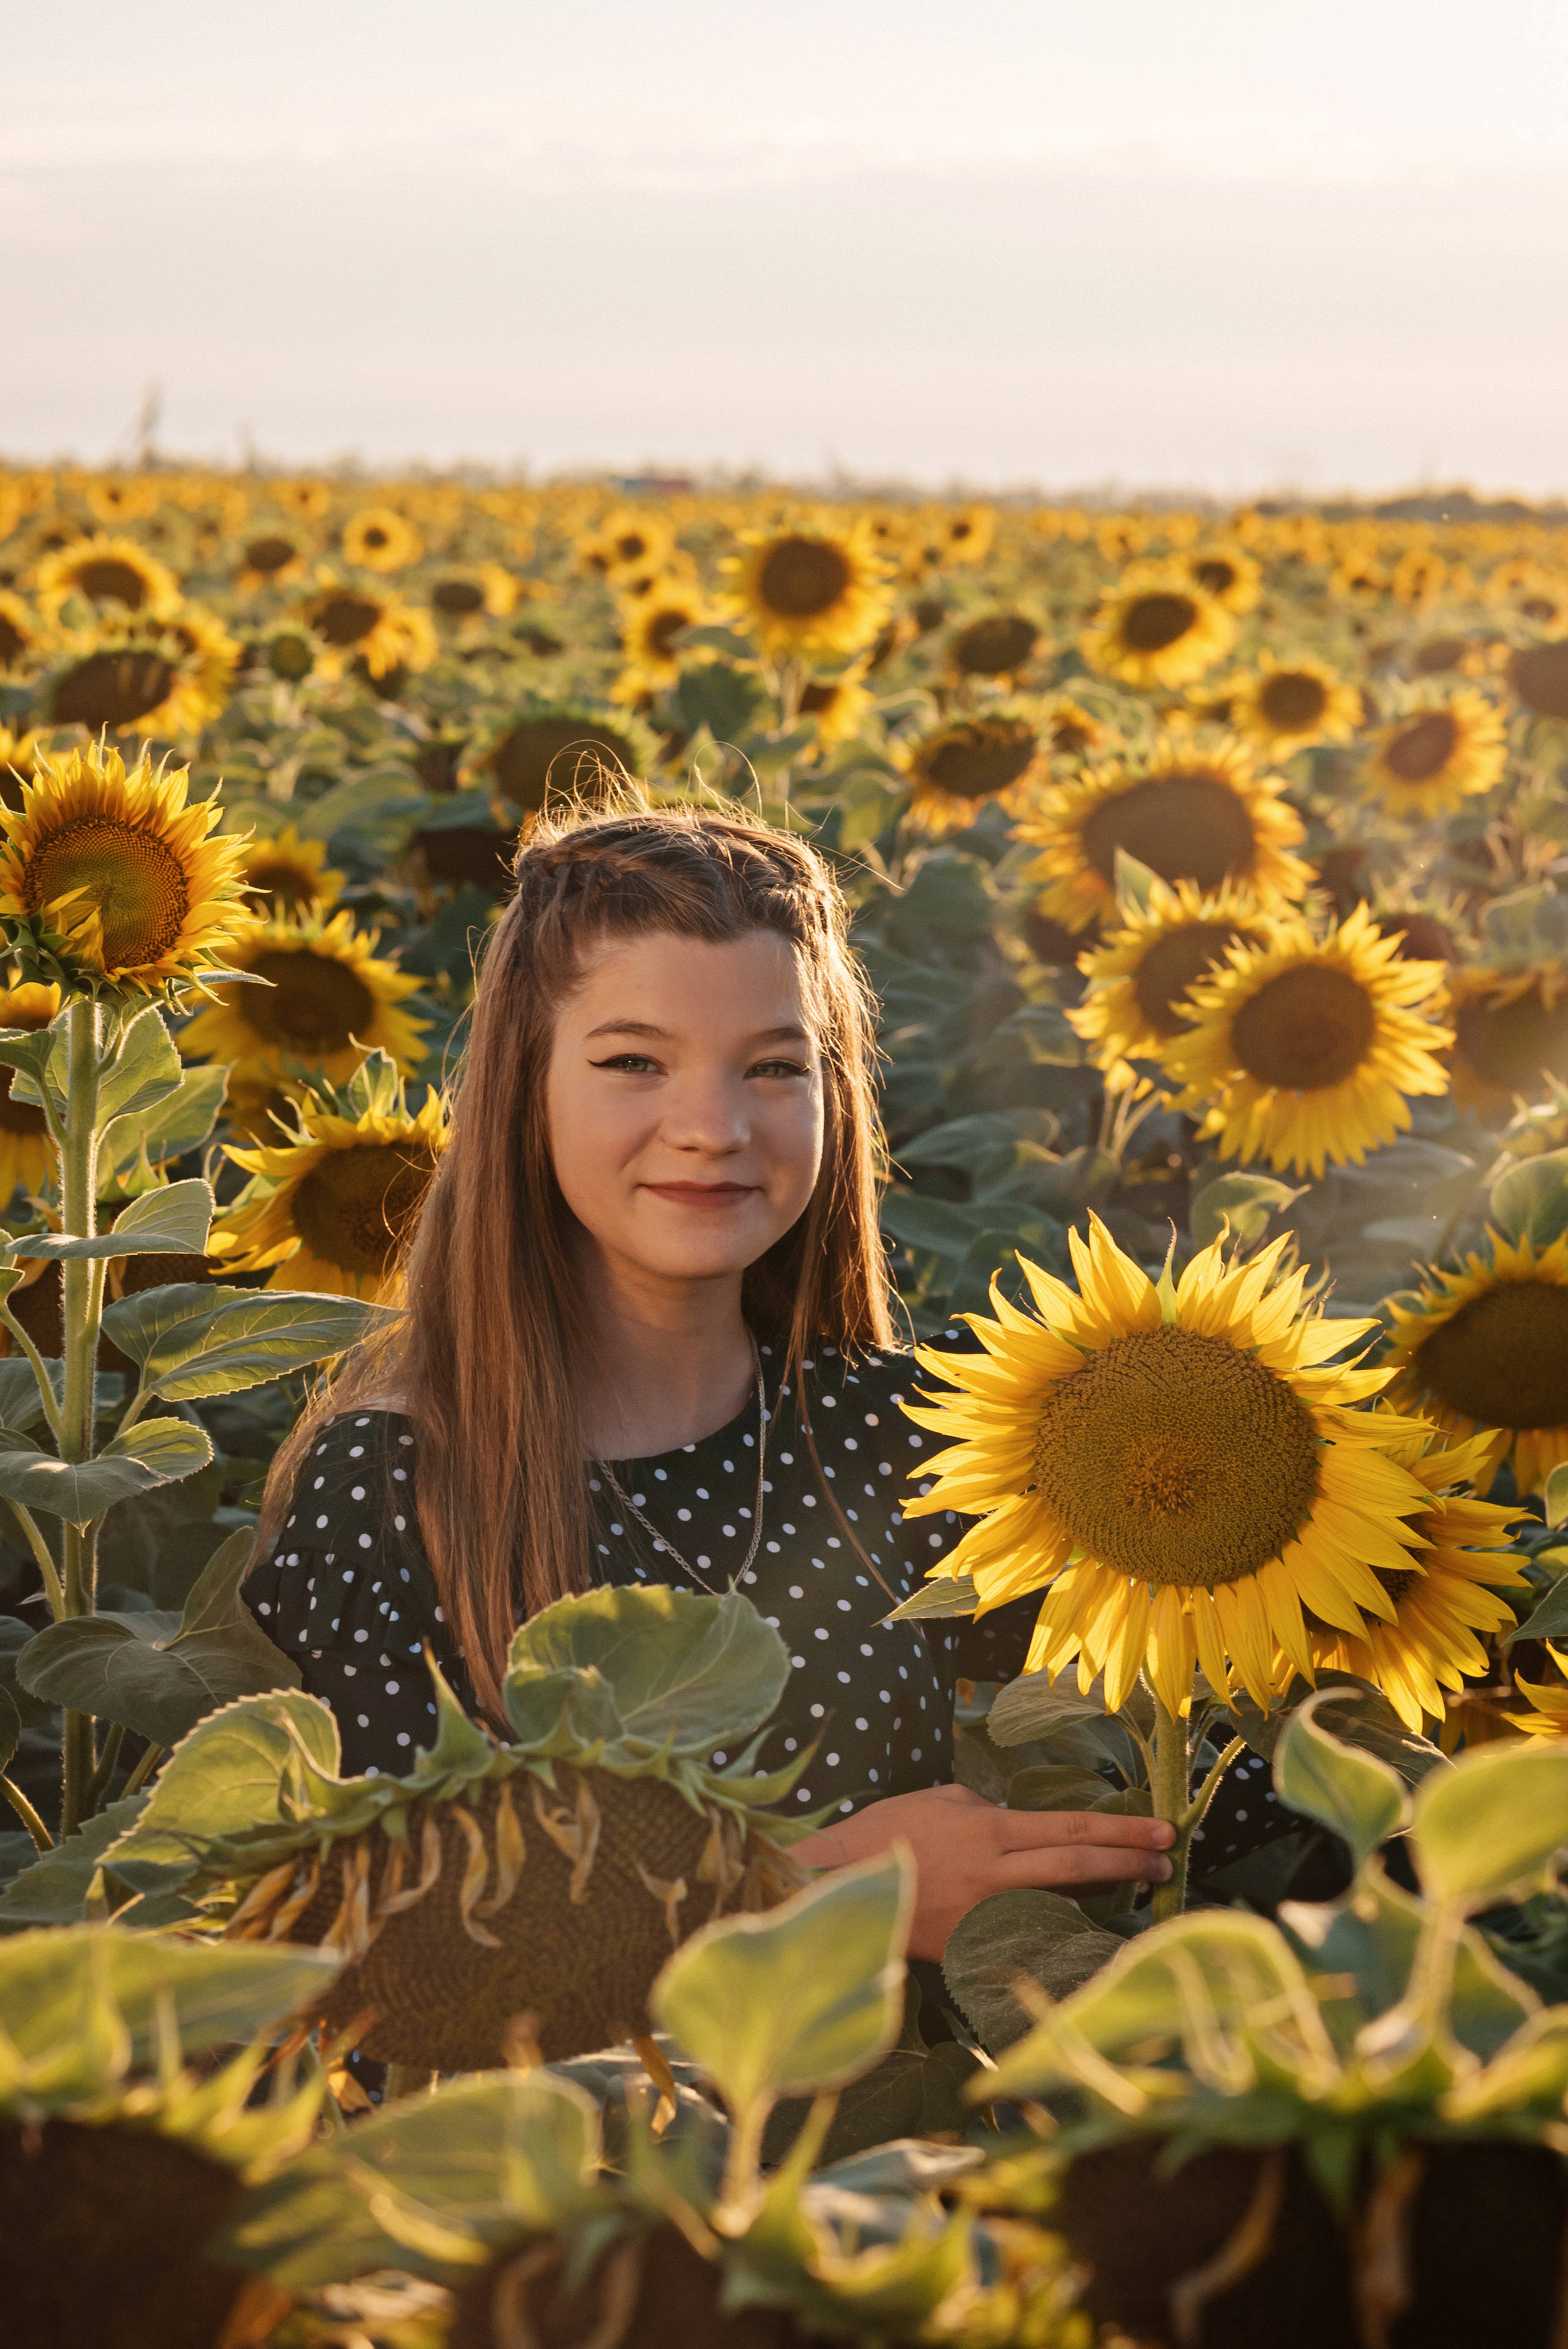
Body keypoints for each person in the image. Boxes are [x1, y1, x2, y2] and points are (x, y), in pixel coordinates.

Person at [247, 801, 1182, 1964]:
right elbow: (385, 1933)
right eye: (635, 1061)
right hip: (580, 2142)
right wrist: (824, 1895)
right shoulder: (401, 1481)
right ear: (525, 1088)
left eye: (775, 1066)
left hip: (910, 2130)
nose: (713, 1125)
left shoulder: (910, 1433)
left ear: (836, 1096)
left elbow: (1142, 1739)